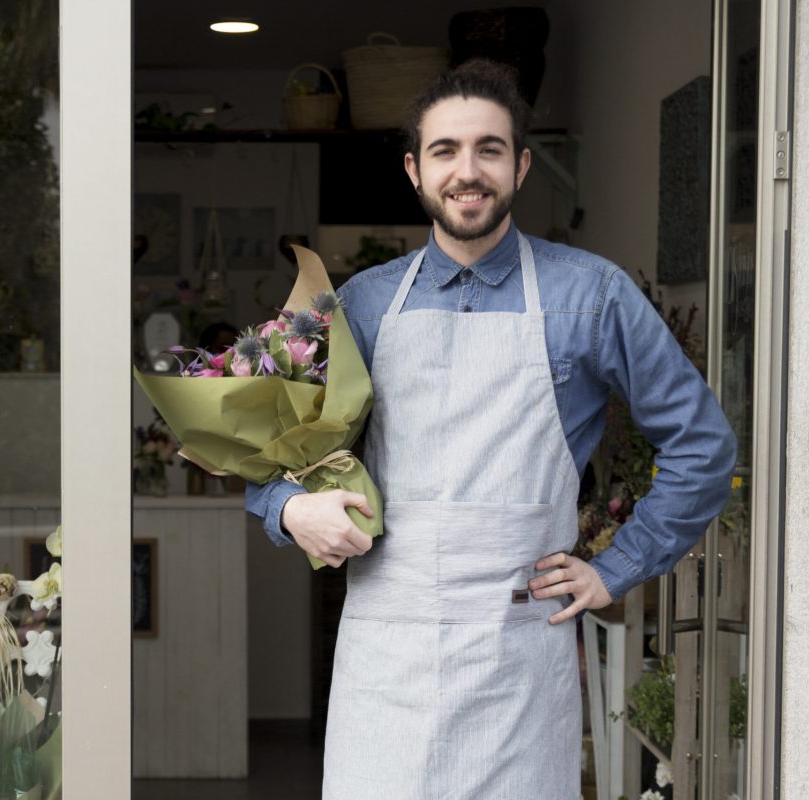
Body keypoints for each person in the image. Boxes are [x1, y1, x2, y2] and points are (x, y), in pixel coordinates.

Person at [245, 59, 736, 799]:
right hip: (386, 663)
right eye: (445, 151)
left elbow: (704, 446)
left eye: (489, 149)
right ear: (415, 169)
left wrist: (618, 566)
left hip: (518, 664)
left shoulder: (591, 295)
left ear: (522, 165)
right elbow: (267, 451)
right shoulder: (361, 304)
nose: (466, 171)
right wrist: (289, 506)